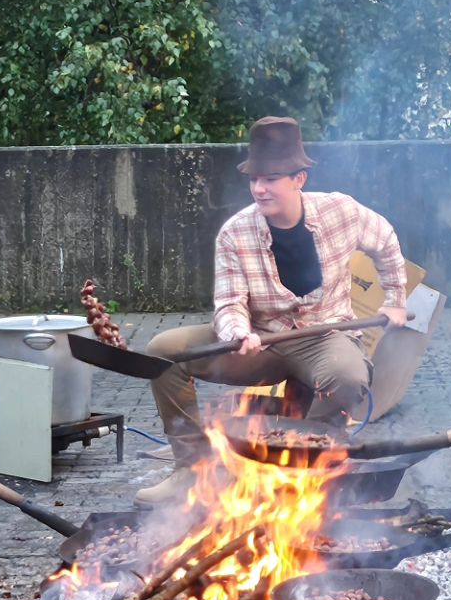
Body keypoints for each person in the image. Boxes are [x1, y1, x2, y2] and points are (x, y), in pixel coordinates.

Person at [139, 117, 409, 505]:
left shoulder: (341, 212)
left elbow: (384, 239)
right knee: (164, 350)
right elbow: (229, 303)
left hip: (324, 337)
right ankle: (191, 471)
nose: (259, 189)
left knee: (349, 378)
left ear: (299, 179)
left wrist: (396, 298)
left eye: (271, 178)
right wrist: (237, 333)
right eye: (254, 179)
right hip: (261, 339)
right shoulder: (236, 232)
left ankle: (304, 473)